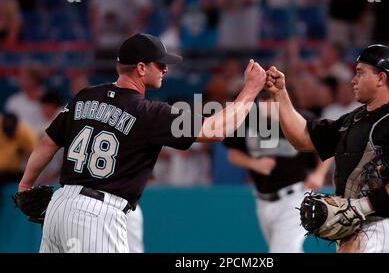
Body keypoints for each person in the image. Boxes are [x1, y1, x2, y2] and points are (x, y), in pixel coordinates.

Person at [17, 33, 266, 253]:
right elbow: (216, 129)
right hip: (96, 215)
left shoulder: (85, 96)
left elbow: (47, 143)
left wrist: (26, 185)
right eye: (160, 64)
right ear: (140, 68)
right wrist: (251, 90)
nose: (165, 69)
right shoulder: (148, 113)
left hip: (59, 207)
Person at [265, 44, 389, 253]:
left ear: (381, 78)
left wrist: (363, 206)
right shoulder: (355, 119)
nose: (353, 79)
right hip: (357, 226)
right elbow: (303, 138)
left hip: (385, 227)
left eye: (360, 73)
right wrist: (281, 95)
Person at [224, 92, 331, 252]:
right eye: (263, 99)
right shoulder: (248, 120)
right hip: (263, 199)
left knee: (282, 250)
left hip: (296, 197)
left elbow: (328, 146)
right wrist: (254, 163)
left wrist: (319, 174)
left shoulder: (300, 118)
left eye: (272, 99)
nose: (267, 103)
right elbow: (233, 155)